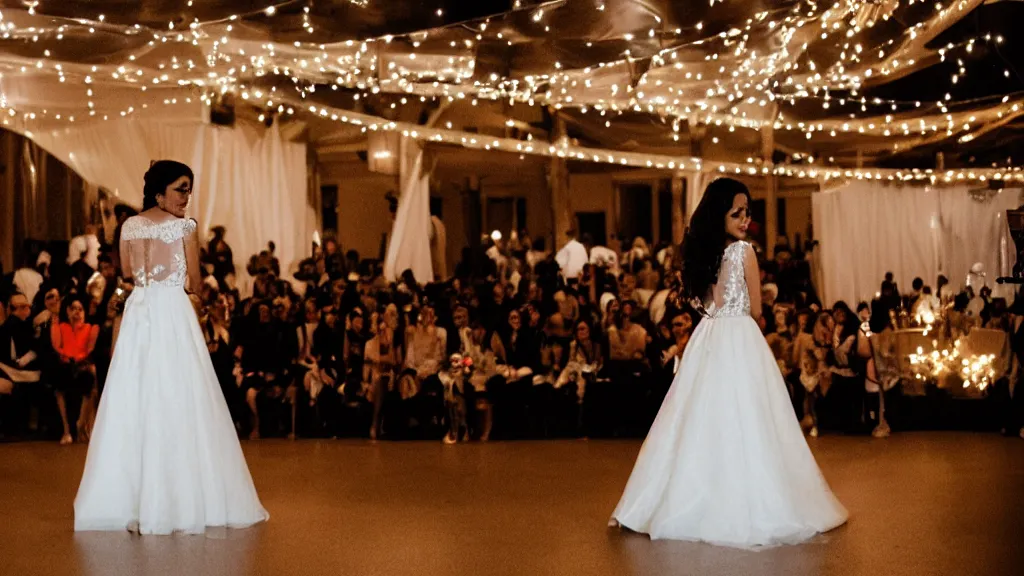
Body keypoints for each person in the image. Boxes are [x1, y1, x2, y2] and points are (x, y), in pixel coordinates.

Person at [609, 177, 847, 548]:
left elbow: (706, 304)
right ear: (720, 212)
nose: (744, 219)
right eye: (737, 212)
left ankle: (681, 499)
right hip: (739, 337)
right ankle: (749, 497)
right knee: (751, 419)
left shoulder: (700, 256)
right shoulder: (743, 252)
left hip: (708, 337)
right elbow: (755, 308)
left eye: (747, 213)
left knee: (696, 419)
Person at [74, 160, 268, 534]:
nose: (186, 197)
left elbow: (129, 274)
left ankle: (130, 499)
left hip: (140, 313)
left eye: (189, 189)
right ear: (160, 191)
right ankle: (186, 497)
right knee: (183, 398)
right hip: (172, 315)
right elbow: (193, 281)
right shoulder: (185, 228)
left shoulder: (129, 225)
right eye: (181, 189)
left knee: (138, 397)